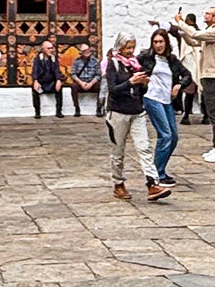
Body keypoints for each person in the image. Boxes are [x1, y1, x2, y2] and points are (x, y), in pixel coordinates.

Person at [102, 35, 164, 201]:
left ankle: (152, 183)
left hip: (137, 111)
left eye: (132, 47)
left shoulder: (135, 65)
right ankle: (118, 183)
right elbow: (113, 89)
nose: (130, 51)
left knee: (144, 147)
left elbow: (140, 92)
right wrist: (130, 82)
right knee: (118, 151)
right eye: (127, 48)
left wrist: (143, 84)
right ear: (120, 47)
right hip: (118, 112)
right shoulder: (112, 64)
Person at [171, 8, 215, 161]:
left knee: (214, 113)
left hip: (211, 75)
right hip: (206, 75)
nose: (204, 15)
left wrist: (180, 22)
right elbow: (193, 41)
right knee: (212, 112)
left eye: (208, 13)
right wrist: (182, 33)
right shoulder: (209, 32)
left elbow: (195, 34)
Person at [138, 28, 189, 190]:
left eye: (161, 41)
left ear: (166, 42)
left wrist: (179, 85)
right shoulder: (145, 58)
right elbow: (132, 67)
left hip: (167, 100)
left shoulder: (172, 60)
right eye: (155, 42)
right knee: (165, 135)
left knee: (173, 137)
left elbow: (187, 75)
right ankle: (156, 174)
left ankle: (160, 169)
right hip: (152, 98)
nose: (158, 45)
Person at [30, 39, 67, 119]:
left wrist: (58, 80)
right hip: (41, 83)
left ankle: (59, 111)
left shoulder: (54, 59)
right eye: (48, 48)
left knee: (59, 87)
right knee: (34, 89)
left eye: (51, 48)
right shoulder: (38, 59)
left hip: (51, 82)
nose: (51, 50)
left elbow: (57, 71)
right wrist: (35, 81)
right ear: (43, 49)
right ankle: (37, 111)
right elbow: (35, 71)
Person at [67, 44, 102, 117]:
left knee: (101, 86)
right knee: (73, 86)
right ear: (81, 52)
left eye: (88, 50)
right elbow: (73, 74)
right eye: (84, 51)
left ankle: (99, 108)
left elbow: (98, 75)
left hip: (92, 82)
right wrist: (81, 83)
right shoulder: (76, 61)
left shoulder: (95, 61)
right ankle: (76, 108)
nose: (87, 52)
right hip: (81, 82)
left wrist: (91, 83)